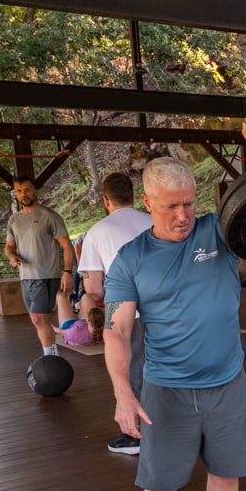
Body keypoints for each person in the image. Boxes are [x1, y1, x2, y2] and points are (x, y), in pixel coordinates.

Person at [103, 149, 246, 491]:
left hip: (227, 381)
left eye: (189, 203)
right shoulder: (131, 260)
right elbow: (116, 329)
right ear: (146, 202)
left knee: (226, 471)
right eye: (170, 206)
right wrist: (123, 393)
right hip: (166, 388)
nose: (182, 215)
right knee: (159, 485)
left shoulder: (217, 230)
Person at [78, 172, 153, 455]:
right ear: (134, 196)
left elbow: (94, 288)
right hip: (166, 308)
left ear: (105, 200)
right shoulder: (154, 220)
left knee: (132, 372)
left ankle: (137, 436)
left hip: (125, 310)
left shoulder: (97, 231)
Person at [5, 175, 75, 356]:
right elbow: (9, 247)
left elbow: (67, 246)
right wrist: (12, 257)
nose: (23, 194)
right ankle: (52, 353)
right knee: (37, 319)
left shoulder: (50, 216)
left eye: (27, 190)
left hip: (46, 275)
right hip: (26, 276)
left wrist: (67, 271)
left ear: (35, 190)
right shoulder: (14, 220)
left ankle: (50, 356)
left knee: (39, 317)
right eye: (19, 191)